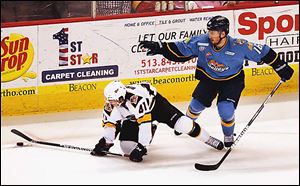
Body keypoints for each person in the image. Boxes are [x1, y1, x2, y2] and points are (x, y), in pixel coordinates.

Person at [138, 15, 294, 148]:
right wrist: (159, 47)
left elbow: (264, 51)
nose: (210, 35)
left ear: (224, 33)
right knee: (195, 105)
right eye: (210, 32)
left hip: (232, 81)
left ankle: (228, 135)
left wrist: (280, 66)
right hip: (209, 79)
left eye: (214, 32)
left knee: (225, 110)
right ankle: (187, 124)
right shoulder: (201, 41)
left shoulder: (239, 46)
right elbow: (181, 48)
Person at [91, 80, 224, 162]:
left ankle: (208, 138)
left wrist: (142, 147)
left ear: (121, 95)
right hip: (134, 116)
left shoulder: (136, 99)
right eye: (110, 100)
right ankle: (151, 129)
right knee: (127, 148)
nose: (112, 103)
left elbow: (144, 124)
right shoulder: (111, 104)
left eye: (115, 100)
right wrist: (106, 142)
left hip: (156, 107)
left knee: (183, 125)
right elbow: (110, 124)